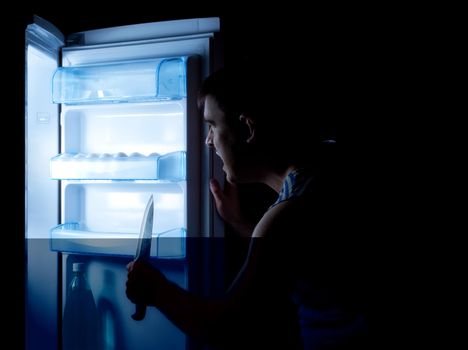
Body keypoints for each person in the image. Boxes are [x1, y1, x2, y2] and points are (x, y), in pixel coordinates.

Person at [126, 62, 371, 349]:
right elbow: (300, 259)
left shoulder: (286, 215)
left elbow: (227, 328)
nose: (208, 141)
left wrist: (157, 290)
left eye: (212, 125)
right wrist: (243, 225)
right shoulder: (328, 164)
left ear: (247, 128)